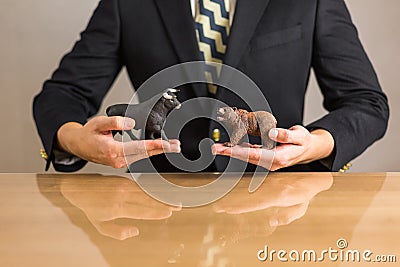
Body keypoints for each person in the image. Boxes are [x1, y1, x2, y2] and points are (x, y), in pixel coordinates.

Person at [33, 0, 389, 173]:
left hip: (279, 204)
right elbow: (62, 93)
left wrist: (314, 145)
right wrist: (74, 140)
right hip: (161, 211)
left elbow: (366, 103)